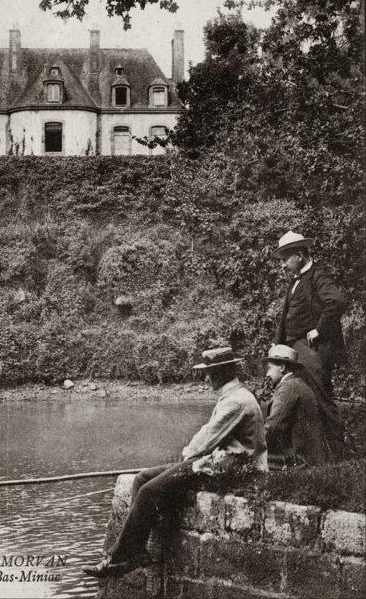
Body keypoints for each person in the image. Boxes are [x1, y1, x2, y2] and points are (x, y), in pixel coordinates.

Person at [83, 346, 267, 579]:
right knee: (142, 478)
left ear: (221, 372)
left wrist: (185, 459)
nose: (206, 377)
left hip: (230, 468)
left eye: (209, 372)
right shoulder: (234, 395)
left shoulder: (236, 401)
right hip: (218, 461)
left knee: (150, 491)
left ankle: (118, 557)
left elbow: (204, 441)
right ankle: (136, 550)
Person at [274, 231, 347, 460]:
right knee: (296, 400)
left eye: (286, 259)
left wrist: (319, 329)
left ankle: (338, 456)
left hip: (312, 351)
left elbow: (336, 301)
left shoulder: (318, 275)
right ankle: (306, 455)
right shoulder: (294, 282)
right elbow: (286, 317)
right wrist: (276, 345)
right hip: (293, 350)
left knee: (322, 400)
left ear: (299, 254)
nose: (284, 264)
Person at [264, 344, 325, 469]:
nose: (267, 374)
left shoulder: (288, 387)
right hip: (306, 459)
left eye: (269, 368)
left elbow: (273, 428)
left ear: (282, 367)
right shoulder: (298, 383)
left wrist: (249, 444)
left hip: (297, 463)